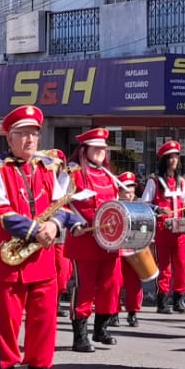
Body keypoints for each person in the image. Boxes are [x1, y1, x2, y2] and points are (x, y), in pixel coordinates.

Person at [0, 106, 82, 369]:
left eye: (34, 134)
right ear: (9, 138)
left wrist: (55, 224)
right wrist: (36, 229)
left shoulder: (47, 167)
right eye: (23, 134)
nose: (30, 140)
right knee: (6, 321)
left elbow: (61, 204)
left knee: (44, 318)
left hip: (41, 257)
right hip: (7, 259)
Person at [63, 128, 123, 353]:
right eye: (95, 148)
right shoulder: (72, 172)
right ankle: (80, 336)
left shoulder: (108, 175)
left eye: (103, 149)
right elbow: (60, 203)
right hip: (85, 240)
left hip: (109, 242)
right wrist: (74, 224)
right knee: (85, 287)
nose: (100, 152)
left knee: (112, 284)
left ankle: (101, 328)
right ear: (84, 149)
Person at [141, 141, 185, 314]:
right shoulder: (154, 182)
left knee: (183, 265)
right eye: (170, 157)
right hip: (163, 230)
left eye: (176, 157)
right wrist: (158, 208)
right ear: (164, 160)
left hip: (180, 230)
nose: (174, 160)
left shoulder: (181, 182)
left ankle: (178, 299)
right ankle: (162, 301)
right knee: (164, 267)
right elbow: (144, 204)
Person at [113, 170, 146, 326]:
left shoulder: (139, 207)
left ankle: (133, 312)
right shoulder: (113, 206)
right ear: (119, 191)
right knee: (116, 282)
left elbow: (145, 227)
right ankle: (113, 312)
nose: (130, 195)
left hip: (134, 249)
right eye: (127, 191)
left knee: (134, 282)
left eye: (132, 191)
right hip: (118, 249)